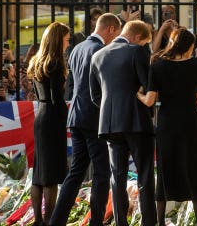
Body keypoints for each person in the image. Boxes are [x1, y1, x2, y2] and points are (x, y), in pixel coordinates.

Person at [137, 28, 197, 226]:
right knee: (194, 167)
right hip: (190, 122)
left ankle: (161, 221)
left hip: (167, 123)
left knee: (165, 168)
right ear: (189, 46)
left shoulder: (157, 65)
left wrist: (137, 93)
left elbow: (149, 101)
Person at [49, 14, 122, 226]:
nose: (114, 39)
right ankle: (96, 222)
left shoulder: (77, 48)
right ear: (109, 29)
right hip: (93, 118)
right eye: (116, 34)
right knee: (101, 172)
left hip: (76, 116)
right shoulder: (100, 50)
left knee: (76, 172)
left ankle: (57, 220)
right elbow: (100, 88)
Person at [90, 20, 155, 226]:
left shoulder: (98, 55)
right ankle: (148, 222)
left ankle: (121, 223)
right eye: (145, 42)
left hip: (110, 124)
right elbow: (149, 85)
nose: (144, 46)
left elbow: (95, 96)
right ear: (137, 37)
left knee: (117, 178)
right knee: (144, 175)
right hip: (137, 121)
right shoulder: (136, 52)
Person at [26, 22, 71, 226]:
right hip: (52, 117)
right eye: (66, 39)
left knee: (39, 173)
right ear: (58, 39)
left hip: (41, 115)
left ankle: (38, 220)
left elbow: (39, 94)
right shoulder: (55, 62)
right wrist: (67, 118)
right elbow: (56, 97)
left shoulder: (37, 61)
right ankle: (49, 219)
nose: (68, 43)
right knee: (50, 174)